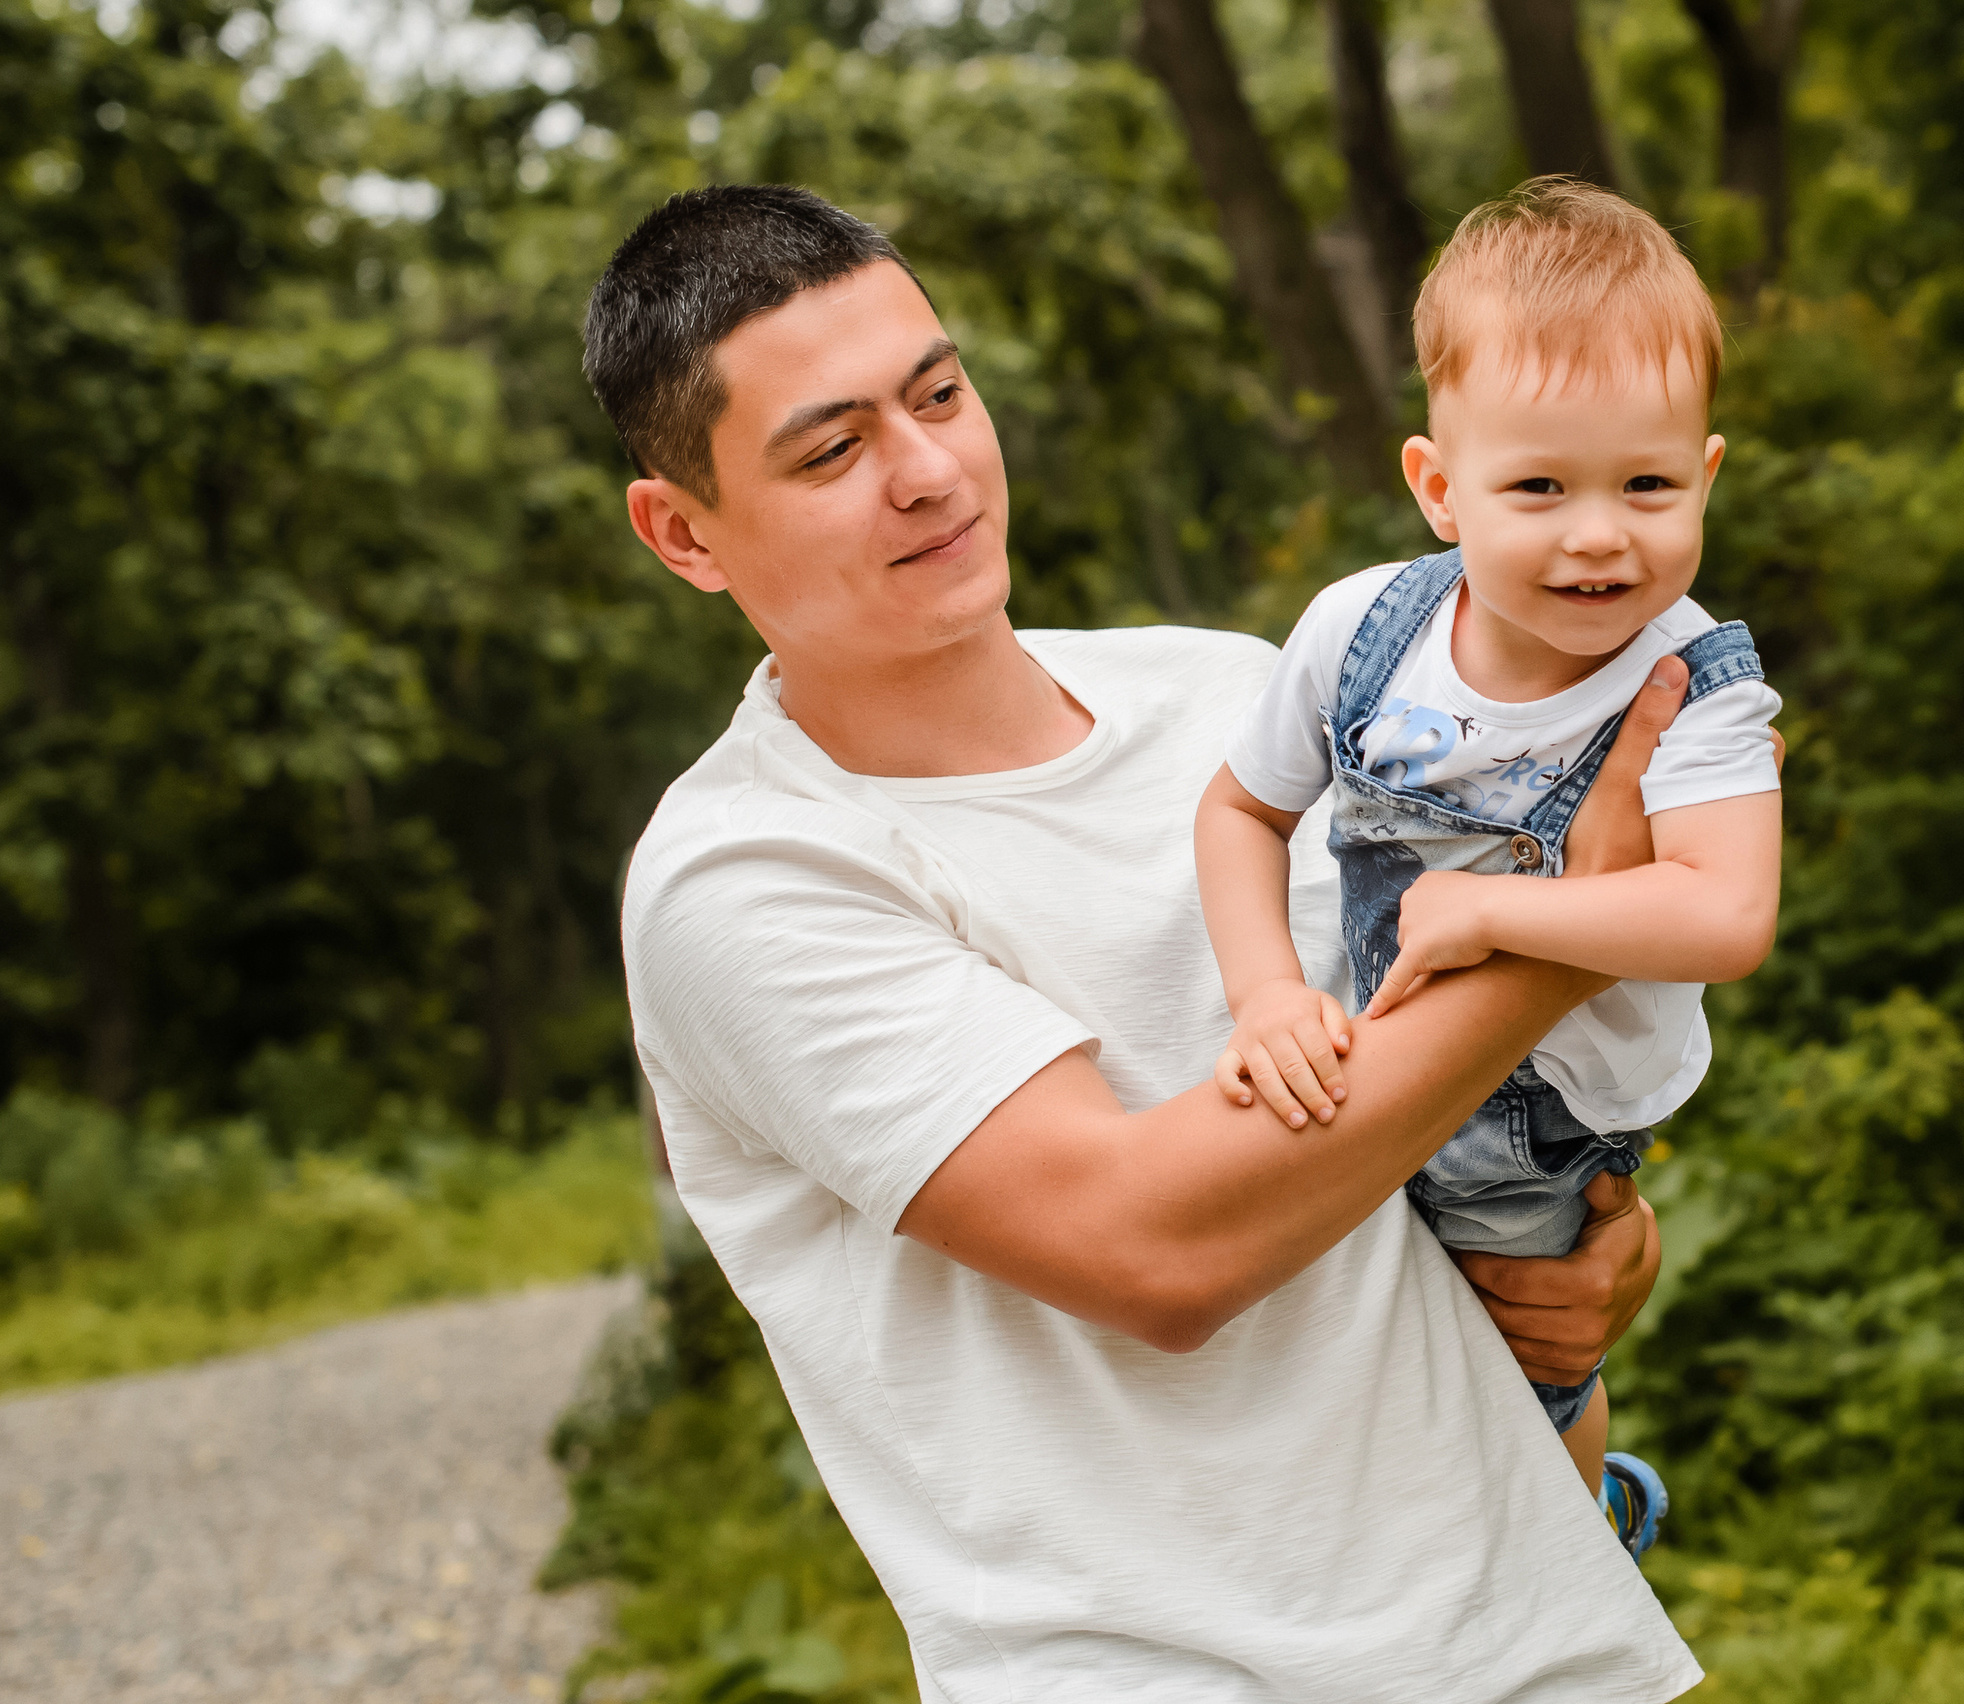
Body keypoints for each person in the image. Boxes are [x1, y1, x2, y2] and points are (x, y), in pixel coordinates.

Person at [597, 183, 1705, 1702]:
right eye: (834, 448)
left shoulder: (1225, 694)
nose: (927, 472)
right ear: (684, 532)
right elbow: (1157, 1247)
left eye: (939, 393)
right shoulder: (746, 876)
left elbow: (1441, 1099)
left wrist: (1569, 1259)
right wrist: (1565, 931)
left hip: (1534, 1644)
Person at [1197, 178, 1783, 1546]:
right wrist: (1269, 995)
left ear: (1703, 476)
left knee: (1523, 1354)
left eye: (1646, 485)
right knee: (1348, 1337)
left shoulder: (1697, 690)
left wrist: (1502, 912)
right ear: (1439, 488)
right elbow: (1240, 813)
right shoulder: (1360, 630)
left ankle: (1566, 1568)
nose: (1598, 533)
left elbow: (1726, 912)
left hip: (1552, 1103)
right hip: (1373, 1045)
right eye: (1539, 487)